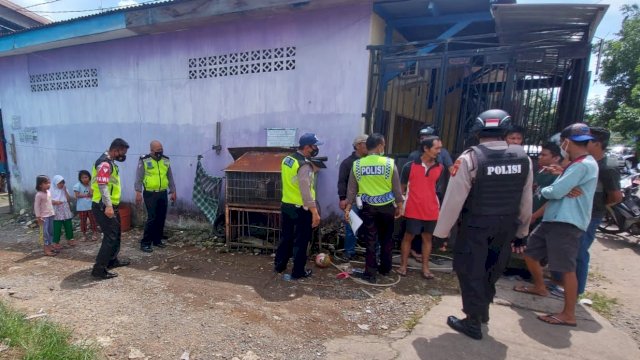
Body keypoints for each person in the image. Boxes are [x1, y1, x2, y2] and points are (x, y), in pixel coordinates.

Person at [433, 109, 533, 340]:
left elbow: (452, 201)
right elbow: (526, 199)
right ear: (506, 130)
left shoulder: (470, 158)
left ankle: (473, 322)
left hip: (476, 226)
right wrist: (522, 232)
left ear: (477, 131)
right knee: (492, 268)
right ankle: (482, 311)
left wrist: (441, 233)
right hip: (506, 225)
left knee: (470, 271)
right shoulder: (522, 158)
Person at [514, 123, 598, 327]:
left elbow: (554, 192)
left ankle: (569, 314)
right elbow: (561, 190)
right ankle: (540, 286)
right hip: (553, 218)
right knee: (531, 252)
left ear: (567, 142)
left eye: (562, 142)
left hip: (567, 222)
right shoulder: (576, 164)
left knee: (566, 268)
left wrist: (550, 187)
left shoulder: (583, 165)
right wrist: (560, 182)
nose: (562, 146)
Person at [549, 126, 623, 297]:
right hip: (574, 212)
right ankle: (560, 284)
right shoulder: (584, 162)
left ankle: (575, 291)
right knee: (568, 250)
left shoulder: (606, 168)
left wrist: (593, 205)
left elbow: (616, 196)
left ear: (596, 144)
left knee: (579, 252)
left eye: (586, 141)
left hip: (590, 215)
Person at [345, 133, 404, 284]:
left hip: (368, 208)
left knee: (370, 240)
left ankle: (370, 273)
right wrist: (400, 205)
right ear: (379, 146)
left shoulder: (357, 165)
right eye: (383, 145)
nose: (384, 148)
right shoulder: (390, 163)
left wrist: (348, 207)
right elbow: (397, 188)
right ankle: (385, 268)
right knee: (387, 239)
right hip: (387, 207)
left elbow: (351, 190)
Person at [274, 133, 322, 280]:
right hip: (301, 208)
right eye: (314, 146)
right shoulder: (304, 165)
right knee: (301, 241)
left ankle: (279, 265)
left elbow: (293, 180)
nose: (316, 149)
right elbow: (305, 190)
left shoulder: (288, 159)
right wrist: (315, 212)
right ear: (307, 147)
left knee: (286, 237)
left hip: (287, 205)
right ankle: (298, 271)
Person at [398, 135, 443, 279]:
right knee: (408, 237)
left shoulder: (440, 167)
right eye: (437, 148)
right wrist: (399, 206)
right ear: (426, 148)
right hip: (412, 208)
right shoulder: (409, 166)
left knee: (427, 238)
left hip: (431, 210)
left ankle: (425, 268)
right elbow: (401, 189)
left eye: (440, 148)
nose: (439, 151)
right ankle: (403, 266)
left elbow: (438, 190)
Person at [91, 138, 131, 279]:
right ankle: (99, 269)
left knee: (116, 233)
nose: (123, 155)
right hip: (103, 206)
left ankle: (112, 260)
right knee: (110, 236)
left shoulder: (110, 162)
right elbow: (102, 186)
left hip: (110, 205)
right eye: (122, 152)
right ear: (116, 150)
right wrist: (108, 206)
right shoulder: (104, 163)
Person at [135, 140, 177, 253]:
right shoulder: (144, 160)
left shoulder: (165, 160)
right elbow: (139, 176)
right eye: (158, 150)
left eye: (161, 149)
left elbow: (170, 176)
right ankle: (145, 243)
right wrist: (138, 191)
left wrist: (173, 190)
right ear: (151, 150)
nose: (160, 151)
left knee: (161, 217)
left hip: (162, 192)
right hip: (150, 193)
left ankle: (157, 240)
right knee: (152, 217)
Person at [337, 134, 368, 260]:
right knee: (351, 227)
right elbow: (342, 181)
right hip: (352, 201)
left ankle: (371, 253)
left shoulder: (370, 161)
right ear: (358, 145)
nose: (368, 146)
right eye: (366, 143)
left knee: (369, 227)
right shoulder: (347, 163)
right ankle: (349, 252)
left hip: (368, 200)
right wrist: (342, 198)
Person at [531, 142, 563, 227]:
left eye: (544, 155)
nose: (539, 157)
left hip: (545, 219)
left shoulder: (558, 177)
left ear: (556, 158)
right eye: (540, 154)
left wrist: (534, 216)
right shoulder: (540, 171)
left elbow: (553, 201)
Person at [51, 175, 75, 249]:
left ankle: (70, 239)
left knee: (68, 224)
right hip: (56, 209)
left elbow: (68, 199)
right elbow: (48, 201)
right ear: (55, 183)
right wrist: (55, 202)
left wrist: (65, 191)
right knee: (57, 225)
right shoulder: (50, 190)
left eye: (63, 183)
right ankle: (56, 242)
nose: (61, 185)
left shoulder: (64, 189)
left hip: (65, 208)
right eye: (59, 183)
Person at [74, 170, 99, 241]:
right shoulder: (77, 185)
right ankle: (84, 235)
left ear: (89, 177)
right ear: (80, 179)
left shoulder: (91, 185)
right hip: (81, 207)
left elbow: (93, 194)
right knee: (83, 222)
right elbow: (76, 195)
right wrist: (86, 195)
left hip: (91, 206)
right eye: (83, 178)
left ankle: (94, 233)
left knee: (93, 220)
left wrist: (91, 187)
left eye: (86, 177)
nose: (85, 179)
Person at [34, 175, 56, 256]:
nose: (48, 185)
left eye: (49, 183)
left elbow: (49, 203)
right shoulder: (39, 195)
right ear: (40, 185)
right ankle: (46, 249)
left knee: (50, 232)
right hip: (43, 217)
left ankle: (50, 246)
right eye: (46, 183)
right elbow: (36, 206)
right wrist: (38, 216)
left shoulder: (49, 192)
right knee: (45, 233)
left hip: (50, 215)